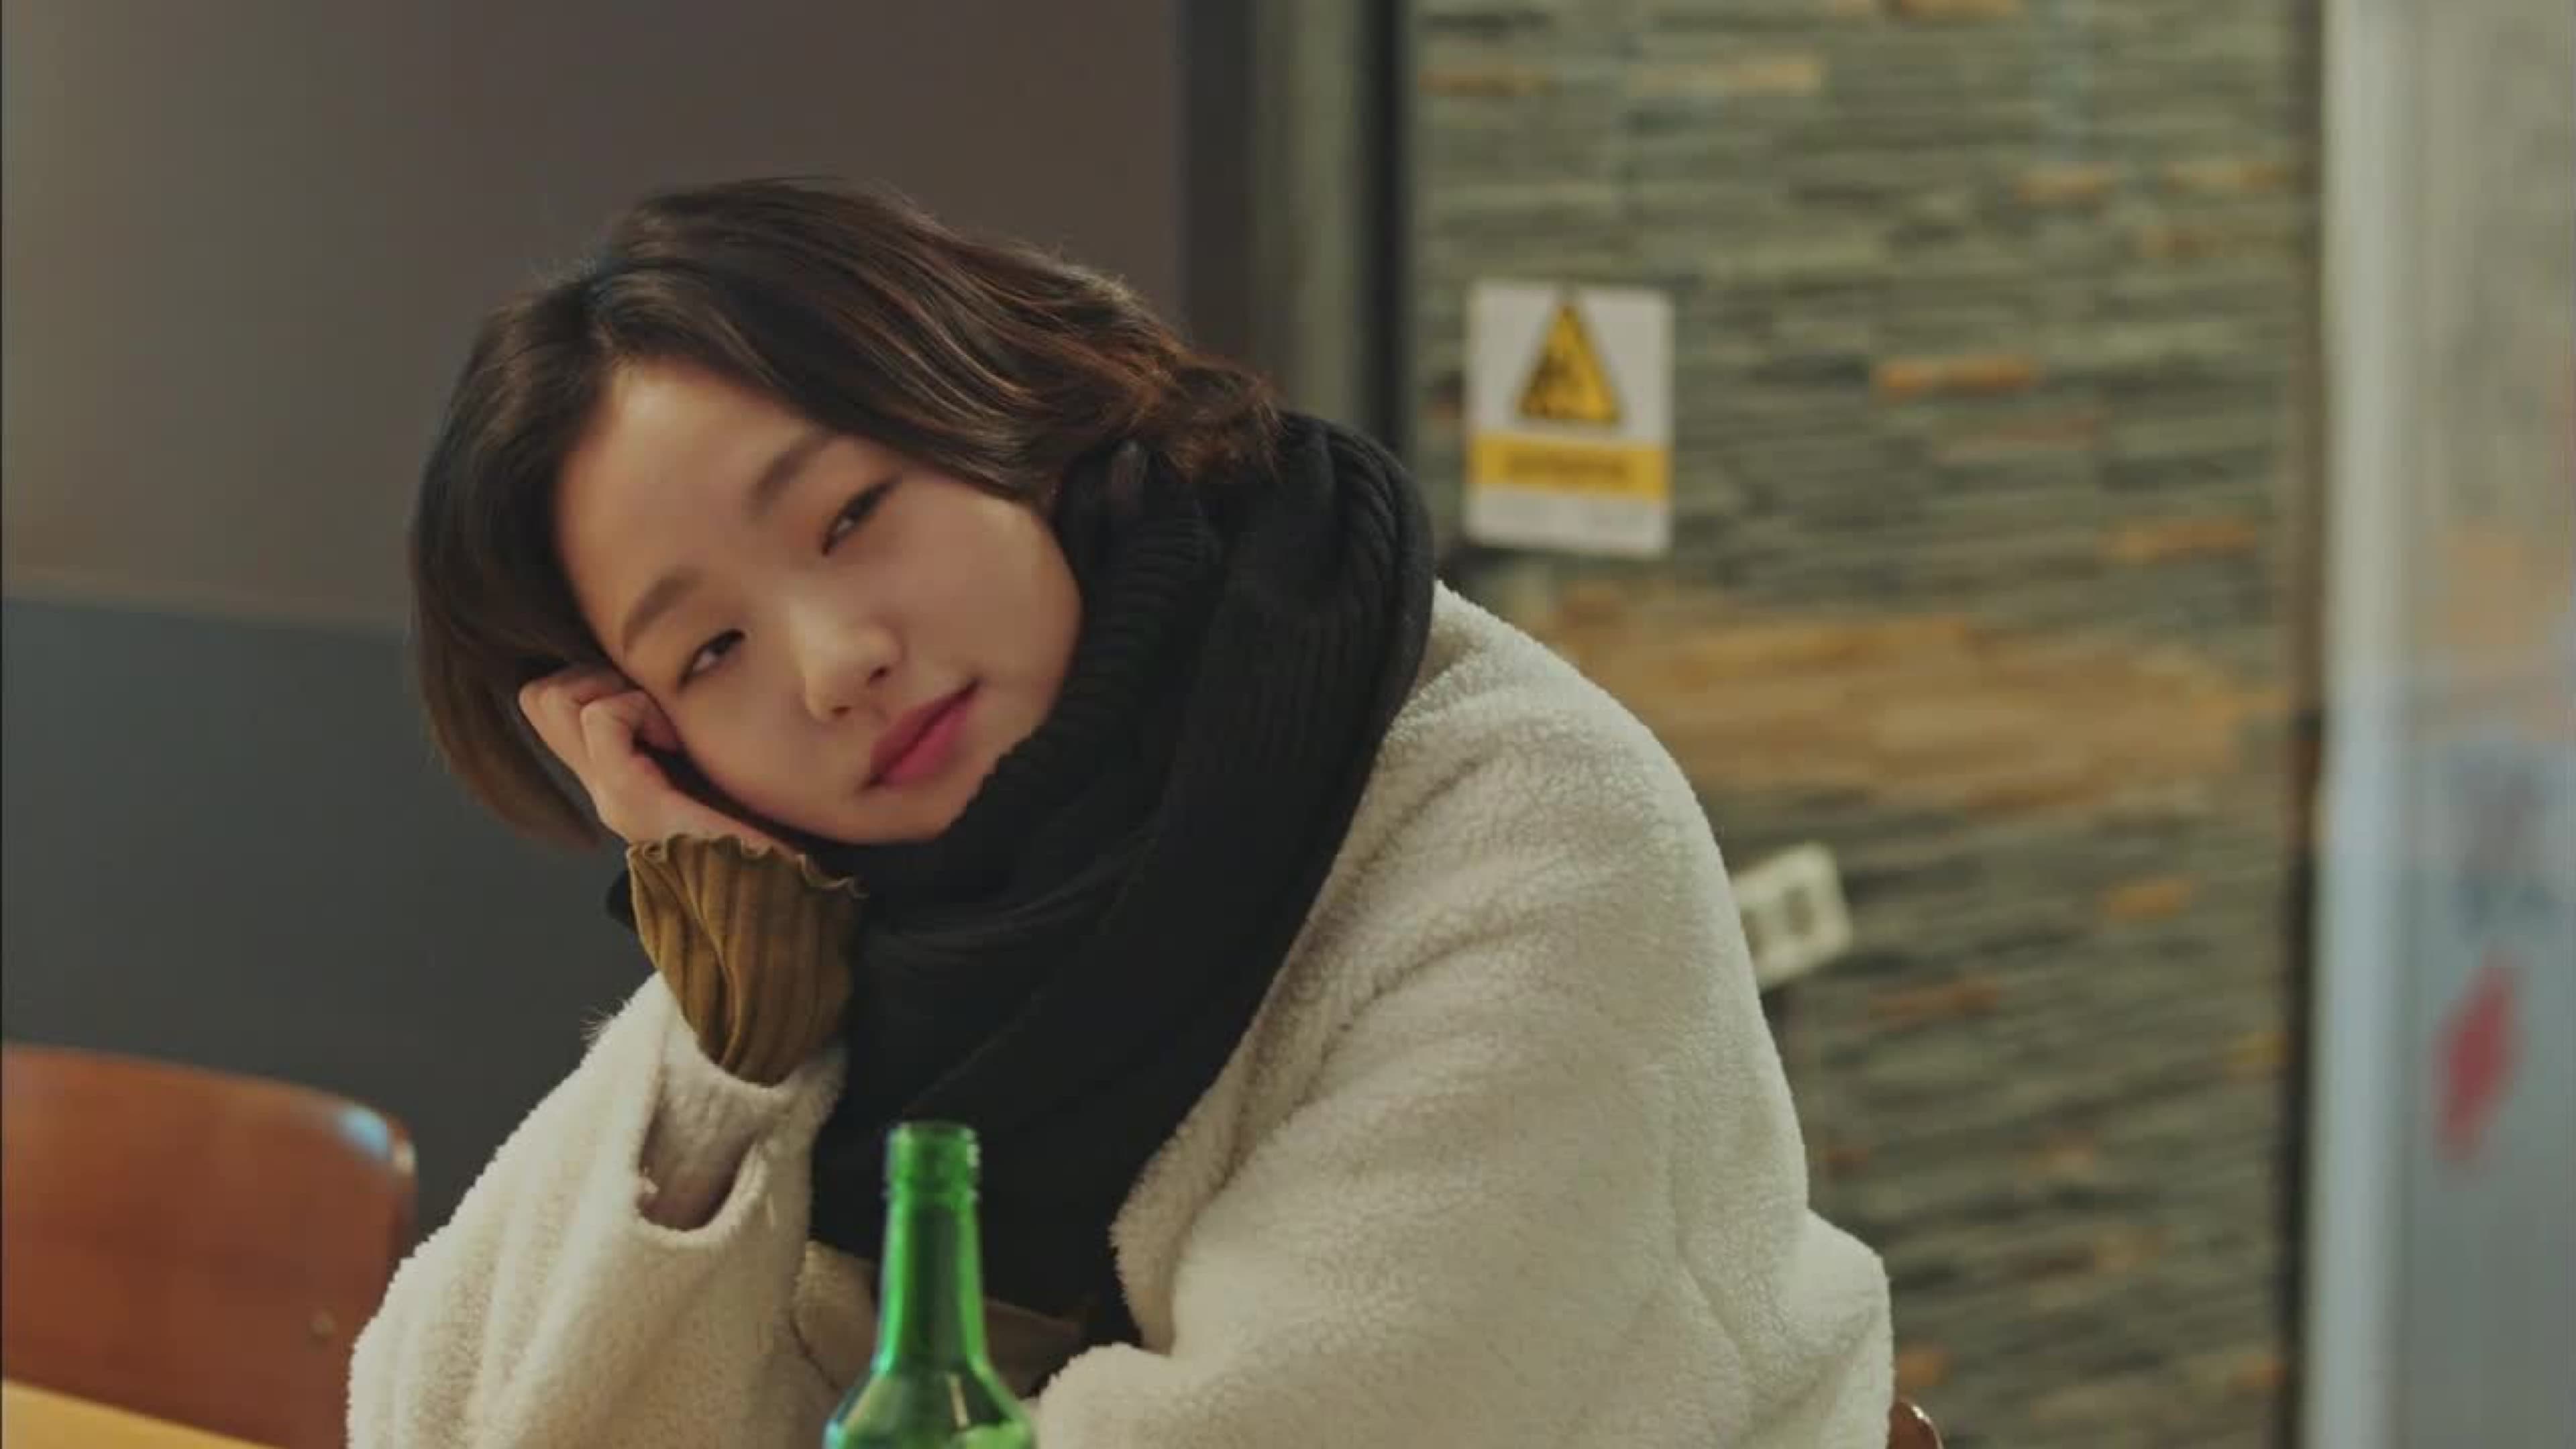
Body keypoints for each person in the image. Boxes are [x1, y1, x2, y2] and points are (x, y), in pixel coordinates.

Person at [352, 176, 1892, 1447]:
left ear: (1004, 417)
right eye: (710, 653)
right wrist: (728, 1043)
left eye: (853, 515)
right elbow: (438, 1420)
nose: (833, 664)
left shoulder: (1515, 822)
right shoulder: (853, 913)